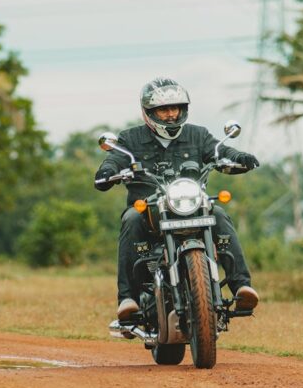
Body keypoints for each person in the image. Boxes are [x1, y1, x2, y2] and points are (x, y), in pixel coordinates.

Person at [94, 77, 260, 320]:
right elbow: (116, 158)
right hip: (148, 209)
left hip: (193, 206)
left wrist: (239, 156)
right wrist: (108, 170)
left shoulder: (198, 135)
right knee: (130, 219)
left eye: (175, 108)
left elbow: (219, 151)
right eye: (163, 109)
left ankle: (241, 287)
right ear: (149, 112)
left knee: (220, 214)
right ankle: (127, 299)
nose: (171, 114)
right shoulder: (130, 139)